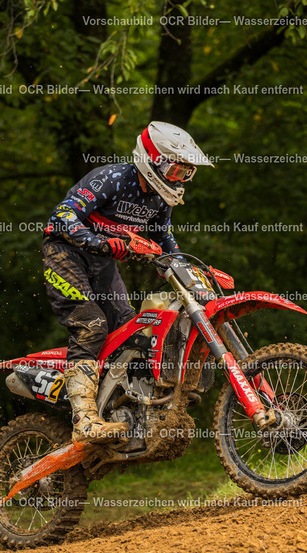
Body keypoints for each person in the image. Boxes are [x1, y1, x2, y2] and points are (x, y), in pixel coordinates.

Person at [42, 121, 213, 443]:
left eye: (186, 174)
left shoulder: (160, 200)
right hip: (65, 255)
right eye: (176, 171)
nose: (179, 180)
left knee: (131, 332)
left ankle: (123, 405)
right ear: (152, 160)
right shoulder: (111, 178)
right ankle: (83, 420)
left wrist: (186, 268)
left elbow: (163, 239)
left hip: (102, 263)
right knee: (92, 324)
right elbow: (61, 217)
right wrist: (102, 243)